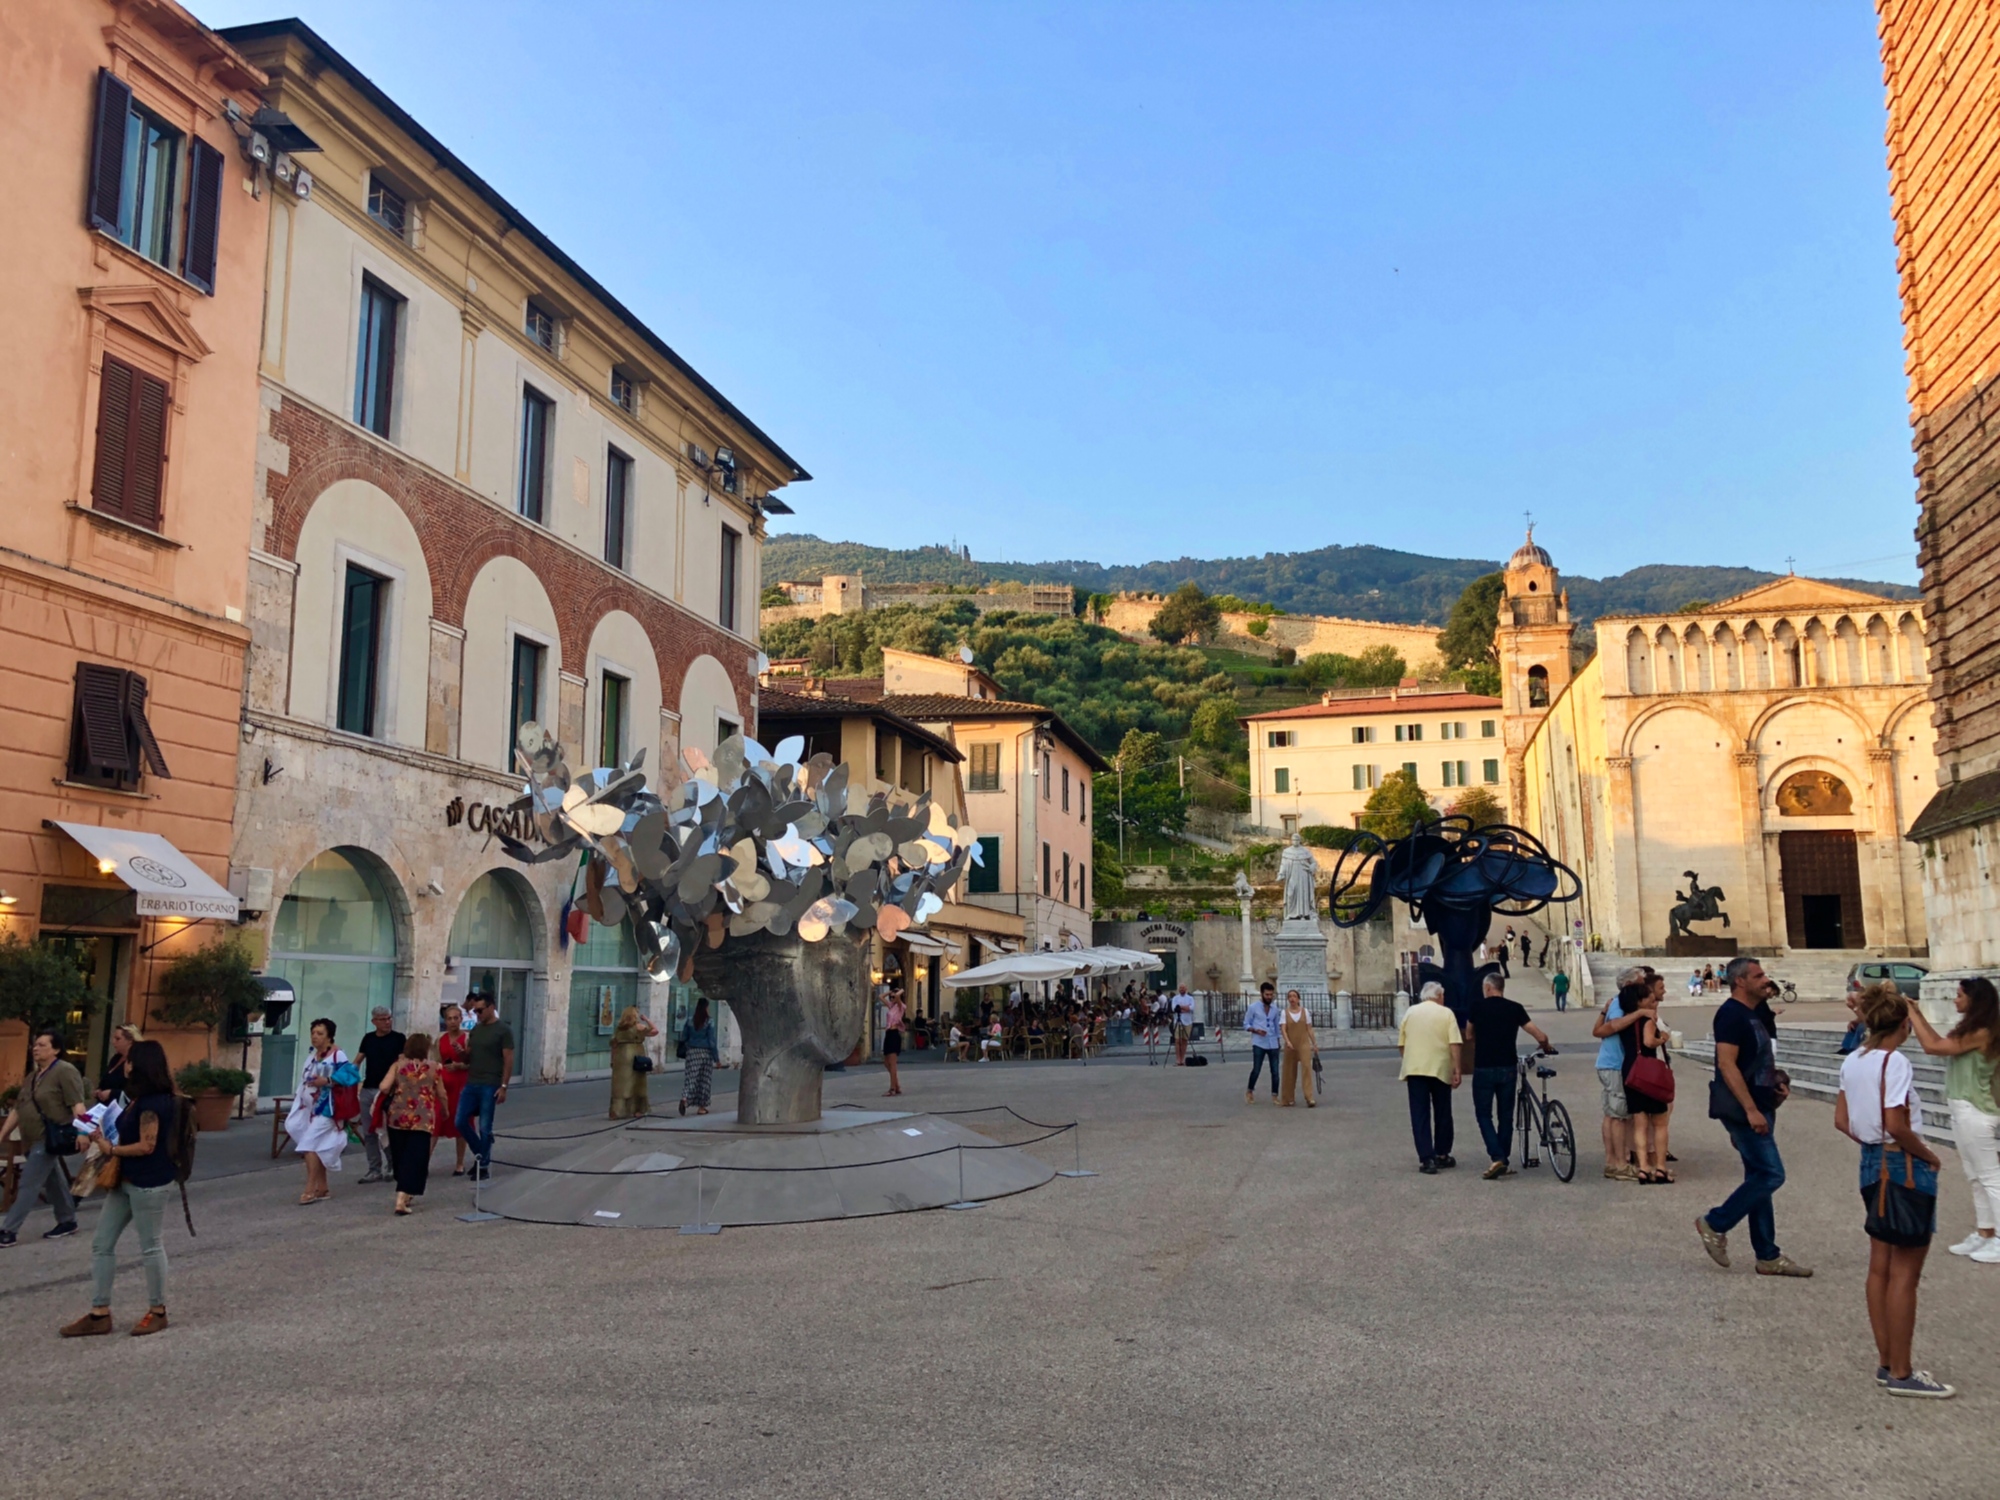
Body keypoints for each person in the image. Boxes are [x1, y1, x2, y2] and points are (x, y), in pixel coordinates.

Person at [1836, 982, 1953, 1398]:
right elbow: (1897, 1124)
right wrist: (1929, 1156)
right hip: (1903, 1163)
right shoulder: (1895, 1061)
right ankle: (1902, 1371)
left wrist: (1872, 1142)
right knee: (1906, 1272)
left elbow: (1841, 1120)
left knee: (1880, 1266)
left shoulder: (1854, 1059)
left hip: (1871, 1161)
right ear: (1903, 1024)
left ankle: (1887, 1360)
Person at [1695, 957, 1811, 1278]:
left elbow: (1760, 1057)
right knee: (1772, 1174)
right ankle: (1715, 1222)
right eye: (1758, 975)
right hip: (1745, 1108)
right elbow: (1727, 1064)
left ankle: (1768, 1255)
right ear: (1740, 981)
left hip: (1762, 1103)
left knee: (1758, 1177)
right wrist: (1749, 1110)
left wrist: (1776, 1082)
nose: (1766, 979)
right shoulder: (1731, 1014)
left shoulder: (1755, 1012)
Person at [61, 1040, 179, 1338]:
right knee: (102, 1243)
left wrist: (110, 1149)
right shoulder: (138, 1099)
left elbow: (147, 1145)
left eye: (130, 1060)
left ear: (139, 1065)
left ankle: (158, 1310)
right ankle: (99, 1312)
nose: (125, 1064)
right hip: (125, 1181)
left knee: (151, 1245)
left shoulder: (153, 1103)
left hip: (148, 1183)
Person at [1904, 976, 2000, 1263]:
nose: (1955, 1000)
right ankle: (1985, 1232)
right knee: (1975, 1176)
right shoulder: (1973, 1028)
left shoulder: (1982, 1031)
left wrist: (1911, 1013)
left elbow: (1933, 1047)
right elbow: (1940, 1042)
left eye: (1960, 995)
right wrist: (1917, 1013)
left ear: (1974, 999)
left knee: (1990, 1176)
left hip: (1975, 1110)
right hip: (1962, 1109)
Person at [0, 1030, 88, 1247]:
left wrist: (84, 1132)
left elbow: (78, 1104)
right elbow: (18, 1109)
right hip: (30, 1139)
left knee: (28, 1183)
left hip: (48, 1137)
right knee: (53, 1180)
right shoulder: (33, 1077)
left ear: (56, 1050)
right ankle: (67, 1220)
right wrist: (2, 1135)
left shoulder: (65, 1071)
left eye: (41, 1045)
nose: (35, 1049)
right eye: (35, 1045)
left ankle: (9, 1230)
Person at [1463, 976, 1553, 1179]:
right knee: (1506, 1116)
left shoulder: (1477, 1007)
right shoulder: (1515, 1008)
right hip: (1508, 1067)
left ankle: (1497, 1157)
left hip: (1484, 1066)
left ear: (1487, 987)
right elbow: (1539, 1035)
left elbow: (1468, 1034)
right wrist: (1545, 1045)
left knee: (1483, 1114)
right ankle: (1502, 1159)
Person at [379, 1032, 448, 1216]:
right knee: (416, 1158)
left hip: (397, 1116)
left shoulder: (398, 1065)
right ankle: (402, 1198)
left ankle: (405, 1193)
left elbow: (384, 1087)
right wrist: (445, 1111)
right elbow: (441, 1093)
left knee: (400, 1156)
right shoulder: (435, 1068)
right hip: (423, 1118)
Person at [1398, 982, 1462, 1173]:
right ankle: (1442, 1153)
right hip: (1440, 1067)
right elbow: (1454, 1043)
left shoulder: (1410, 1012)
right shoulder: (1446, 1013)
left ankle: (1427, 1158)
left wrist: (1410, 1060)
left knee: (1419, 1114)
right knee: (1443, 1112)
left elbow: (1402, 1044)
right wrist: (1457, 1069)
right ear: (1439, 996)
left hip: (1415, 1069)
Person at [285, 1018, 351, 1204]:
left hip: (328, 1109)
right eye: (313, 1033)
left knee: (308, 1145)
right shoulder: (313, 1056)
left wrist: (328, 1081)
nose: (315, 1036)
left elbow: (350, 1077)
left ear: (329, 1036)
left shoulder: (338, 1055)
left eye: (320, 1033)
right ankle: (322, 1188)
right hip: (310, 1110)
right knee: (316, 1146)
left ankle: (310, 1189)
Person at [1617, 976, 1672, 1183]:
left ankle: (1643, 1167)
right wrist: (1662, 1039)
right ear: (1639, 1001)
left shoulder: (1625, 1021)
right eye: (1649, 997)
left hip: (1631, 1070)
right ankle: (1660, 1168)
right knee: (1659, 1123)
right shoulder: (1647, 1021)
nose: (1653, 1000)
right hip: (1648, 1072)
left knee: (1639, 1123)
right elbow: (1649, 1042)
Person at [453, 993, 513, 1180]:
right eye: (475, 1010)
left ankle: (483, 1165)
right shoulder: (476, 1030)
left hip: (490, 1083)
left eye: (480, 1010)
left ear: (491, 1008)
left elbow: (508, 1059)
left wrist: (504, 1086)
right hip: (472, 1082)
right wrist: (461, 1053)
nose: (477, 1014)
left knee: (485, 1126)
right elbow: (468, 1056)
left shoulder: (503, 1030)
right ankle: (482, 1155)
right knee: (460, 1121)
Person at [353, 1006, 405, 1185]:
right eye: (383, 1019)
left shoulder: (398, 1038)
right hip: (368, 1088)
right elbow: (358, 1061)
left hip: (388, 1091)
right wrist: (348, 1077)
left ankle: (392, 1165)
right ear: (374, 1021)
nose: (387, 1022)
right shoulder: (368, 1039)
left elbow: (401, 1063)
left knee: (387, 1131)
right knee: (369, 1132)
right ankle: (374, 1169)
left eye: (389, 1018)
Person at [434, 1002, 470, 1175]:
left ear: (461, 1019)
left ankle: (460, 1163)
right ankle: (423, 1163)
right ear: (445, 1021)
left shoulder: (467, 1038)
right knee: (436, 1122)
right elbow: (435, 1062)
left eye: (456, 1018)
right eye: (449, 1019)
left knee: (461, 1124)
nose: (453, 1021)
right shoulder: (440, 1040)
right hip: (443, 1084)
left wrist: (459, 1065)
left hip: (461, 1084)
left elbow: (474, 1063)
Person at [610, 1007, 660, 1118]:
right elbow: (655, 1031)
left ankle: (617, 1111)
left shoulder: (619, 1029)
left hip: (621, 1057)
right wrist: (646, 1019)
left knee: (621, 1085)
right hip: (635, 1056)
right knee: (637, 1083)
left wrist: (612, 1060)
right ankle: (637, 1109)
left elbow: (614, 1045)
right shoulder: (638, 1027)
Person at [1279, 989, 1319, 1107]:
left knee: (1306, 1068)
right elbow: (1283, 1029)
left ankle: (1309, 1097)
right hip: (1290, 1045)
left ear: (1298, 999)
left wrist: (1314, 1043)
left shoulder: (1305, 1012)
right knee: (1289, 1071)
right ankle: (1288, 1098)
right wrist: (1287, 1042)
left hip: (1303, 1044)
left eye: (1294, 996)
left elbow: (1309, 1029)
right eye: (1290, 996)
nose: (1292, 998)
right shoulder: (1284, 1013)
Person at [1244, 981, 1282, 1104]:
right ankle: (1250, 1090)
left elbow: (1276, 1026)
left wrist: (1278, 1040)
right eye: (1267, 995)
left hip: (1272, 1042)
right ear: (1262, 994)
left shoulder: (1275, 1008)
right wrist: (1255, 1030)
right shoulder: (1253, 1007)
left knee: (1275, 1071)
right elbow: (1246, 1024)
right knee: (1257, 1069)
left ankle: (1275, 1095)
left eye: (1271, 995)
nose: (1269, 997)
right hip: (1259, 1042)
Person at [680, 999, 717, 1115]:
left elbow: (684, 1037)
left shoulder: (690, 1020)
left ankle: (685, 1097)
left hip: (692, 1052)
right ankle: (702, 1107)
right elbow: (711, 1040)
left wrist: (689, 1047)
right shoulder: (709, 1021)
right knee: (704, 1080)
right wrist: (716, 1058)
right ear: (706, 1007)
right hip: (705, 1053)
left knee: (691, 1077)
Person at [95, 1022, 141, 1105]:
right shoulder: (116, 1058)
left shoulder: (136, 1061)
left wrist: (112, 1093)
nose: (113, 1042)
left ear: (130, 1041)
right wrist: (100, 1090)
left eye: (118, 1039)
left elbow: (135, 1090)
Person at [881, 988, 905, 1097]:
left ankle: (892, 1089)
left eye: (893, 997)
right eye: (891, 997)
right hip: (888, 1034)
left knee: (892, 1063)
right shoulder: (891, 1006)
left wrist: (899, 991)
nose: (892, 998)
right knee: (886, 1062)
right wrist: (889, 992)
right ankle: (896, 1085)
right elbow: (880, 997)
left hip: (894, 1034)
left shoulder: (901, 1006)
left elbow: (898, 996)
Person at [1171, 984, 1196, 1065]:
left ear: (1186, 989)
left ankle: (1182, 1058)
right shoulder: (1175, 998)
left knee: (1185, 1040)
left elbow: (1191, 1008)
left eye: (1183, 988)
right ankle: (1178, 1059)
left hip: (1187, 1021)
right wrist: (1186, 1008)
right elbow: (1174, 1009)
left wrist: (1181, 1007)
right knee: (1177, 1040)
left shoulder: (1190, 998)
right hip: (1177, 1021)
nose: (1182, 989)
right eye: (1180, 988)